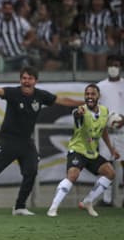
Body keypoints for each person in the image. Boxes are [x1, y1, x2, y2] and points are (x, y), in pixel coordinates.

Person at [0, 66, 84, 216]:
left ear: (35, 81)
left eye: (30, 78)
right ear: (20, 79)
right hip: (7, 141)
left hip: (26, 143)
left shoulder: (41, 95)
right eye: (24, 78)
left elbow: (62, 100)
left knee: (31, 172)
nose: (26, 81)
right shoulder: (13, 93)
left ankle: (19, 207)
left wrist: (83, 103)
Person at [47, 84, 120, 217]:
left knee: (110, 173)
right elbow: (77, 114)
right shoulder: (80, 110)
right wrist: (78, 113)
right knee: (73, 175)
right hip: (77, 150)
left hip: (92, 153)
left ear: (98, 96)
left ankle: (88, 201)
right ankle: (53, 207)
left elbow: (103, 130)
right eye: (87, 94)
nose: (89, 97)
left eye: (92, 94)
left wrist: (111, 149)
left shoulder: (104, 111)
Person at [96, 55, 124, 206]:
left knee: (122, 166)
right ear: (107, 66)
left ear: (120, 67)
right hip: (105, 134)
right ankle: (106, 199)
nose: (114, 67)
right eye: (112, 65)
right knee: (105, 165)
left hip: (122, 133)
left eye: (117, 65)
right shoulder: (100, 86)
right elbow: (95, 109)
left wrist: (123, 120)